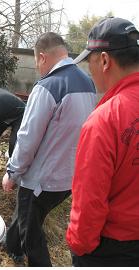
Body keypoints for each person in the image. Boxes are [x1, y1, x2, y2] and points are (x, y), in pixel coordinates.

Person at [2, 32, 96, 266]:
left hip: (42, 180)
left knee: (31, 235)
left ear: (42, 57)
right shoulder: (88, 82)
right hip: (69, 177)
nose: (37, 68)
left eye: (36, 62)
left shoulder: (47, 86)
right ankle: (10, 245)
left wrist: (12, 172)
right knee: (26, 214)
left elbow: (27, 138)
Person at [66, 17, 139, 267]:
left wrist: (79, 247)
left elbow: (89, 203)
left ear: (105, 60)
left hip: (114, 250)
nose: (91, 71)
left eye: (91, 62)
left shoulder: (105, 119)